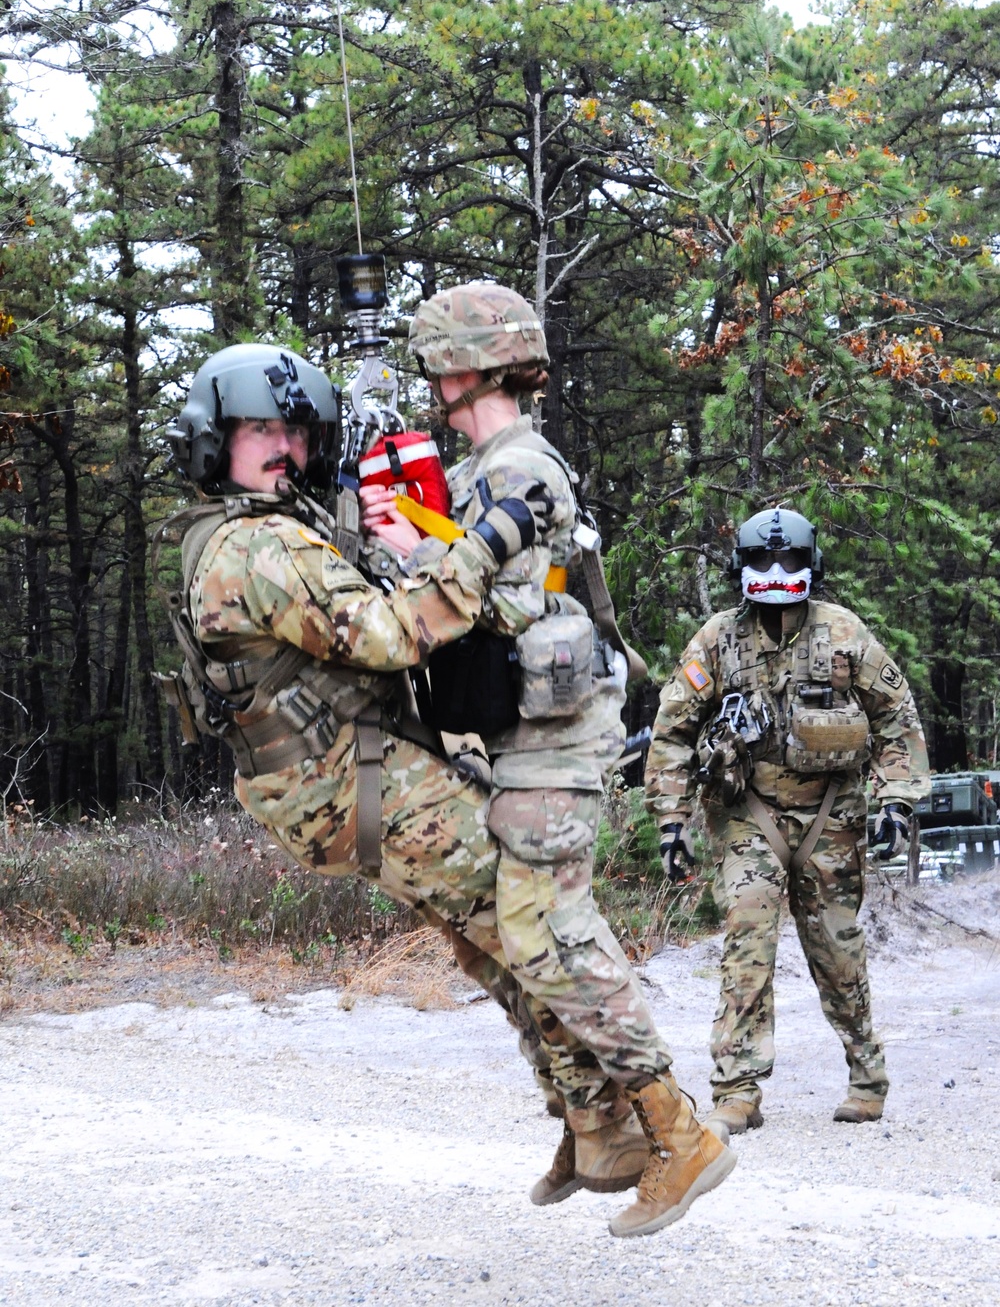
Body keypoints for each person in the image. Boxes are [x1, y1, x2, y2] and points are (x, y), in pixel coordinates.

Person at [157, 340, 733, 1237]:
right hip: (366, 779)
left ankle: (597, 1128)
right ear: (211, 439)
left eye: (293, 431)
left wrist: (402, 529)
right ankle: (668, 1125)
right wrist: (493, 538)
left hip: (330, 793)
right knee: (532, 923)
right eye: (258, 430)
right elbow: (391, 633)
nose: (282, 447)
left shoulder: (232, 536)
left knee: (488, 941)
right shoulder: (258, 546)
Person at [361, 285, 735, 1237]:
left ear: (473, 366)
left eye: (440, 363)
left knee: (551, 933)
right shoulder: (486, 466)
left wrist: (415, 555)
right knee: (521, 931)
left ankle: (676, 1131)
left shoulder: (523, 468)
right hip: (521, 737)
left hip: (555, 741)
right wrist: (417, 539)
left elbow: (511, 606)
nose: (431, 382)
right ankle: (602, 1131)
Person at [644, 506, 930, 1138]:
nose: (777, 572)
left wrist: (897, 802)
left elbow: (896, 719)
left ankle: (866, 1076)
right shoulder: (719, 639)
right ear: (740, 566)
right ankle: (737, 1089)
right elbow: (672, 734)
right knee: (748, 935)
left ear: (811, 564)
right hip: (749, 815)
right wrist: (671, 821)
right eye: (764, 560)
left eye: (790, 560)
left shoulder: (844, 635)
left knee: (836, 947)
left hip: (831, 814)